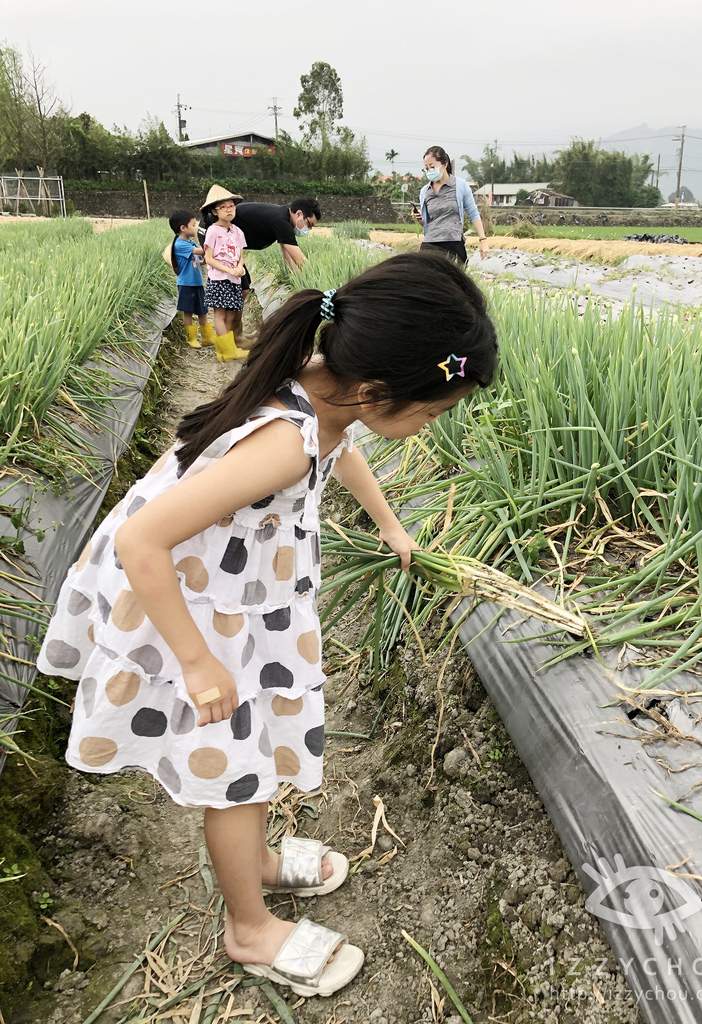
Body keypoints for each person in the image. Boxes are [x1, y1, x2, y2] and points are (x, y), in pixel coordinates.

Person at [36, 251, 497, 999]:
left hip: (233, 596)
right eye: (434, 412)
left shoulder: (325, 391)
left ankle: (254, 864)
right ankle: (248, 927)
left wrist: (388, 524)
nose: (431, 426)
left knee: (249, 760)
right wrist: (196, 662)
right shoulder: (282, 442)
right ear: (377, 389)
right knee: (237, 776)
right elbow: (140, 541)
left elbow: (341, 454)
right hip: (189, 610)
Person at [199, 189, 322, 347]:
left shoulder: (283, 220)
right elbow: (299, 259)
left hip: (229, 243)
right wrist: (316, 282)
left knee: (243, 289)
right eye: (309, 224)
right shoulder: (280, 220)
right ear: (299, 214)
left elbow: (288, 257)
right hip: (213, 230)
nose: (308, 229)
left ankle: (237, 335)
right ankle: (228, 341)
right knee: (232, 288)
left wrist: (300, 283)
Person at [412, 146, 490, 264]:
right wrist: (419, 219)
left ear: (444, 164)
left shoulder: (460, 185)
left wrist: (483, 240)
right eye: (426, 168)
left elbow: (473, 213)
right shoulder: (425, 191)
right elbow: (428, 223)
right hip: (430, 244)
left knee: (455, 280)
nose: (429, 171)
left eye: (432, 167)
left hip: (453, 243)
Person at [200, 186, 249, 362]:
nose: (229, 210)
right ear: (214, 211)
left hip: (234, 278)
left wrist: (240, 268)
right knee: (220, 315)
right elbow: (209, 258)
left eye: (232, 206)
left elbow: (241, 256)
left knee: (230, 315)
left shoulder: (237, 231)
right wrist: (229, 270)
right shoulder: (213, 230)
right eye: (224, 207)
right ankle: (228, 351)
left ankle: (223, 352)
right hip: (219, 279)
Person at [169, 210, 215, 350]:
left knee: (203, 311)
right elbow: (201, 251)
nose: (196, 228)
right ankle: (192, 338)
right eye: (194, 225)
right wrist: (213, 243)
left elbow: (197, 260)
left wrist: (204, 262)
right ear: (183, 228)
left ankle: (206, 337)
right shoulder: (180, 244)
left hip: (197, 283)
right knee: (188, 312)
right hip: (186, 284)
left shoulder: (190, 243)